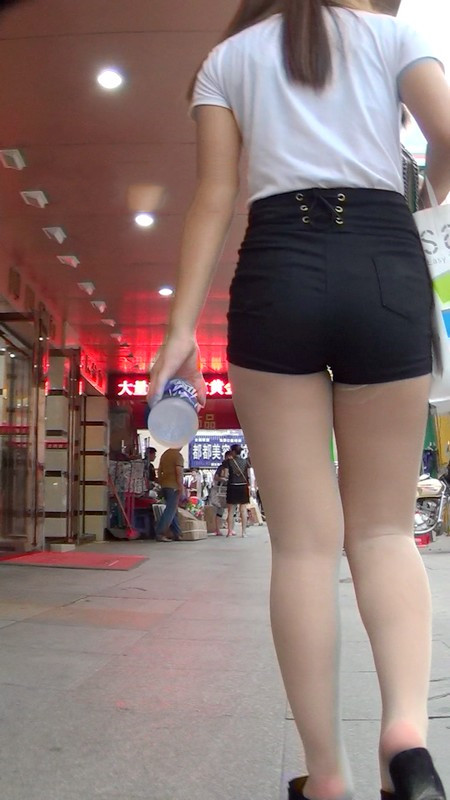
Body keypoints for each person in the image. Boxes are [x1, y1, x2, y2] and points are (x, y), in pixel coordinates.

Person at [149, 2, 450, 798]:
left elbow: (214, 198)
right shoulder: (395, 36)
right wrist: (431, 202)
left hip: (277, 268)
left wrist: (178, 333)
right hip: (384, 262)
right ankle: (406, 738)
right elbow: (448, 135)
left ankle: (327, 779)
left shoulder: (228, 60)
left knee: (305, 549)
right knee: (383, 530)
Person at [154, 447, 184, 542]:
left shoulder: (165, 454)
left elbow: (159, 470)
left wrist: (161, 482)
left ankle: (177, 533)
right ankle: (160, 533)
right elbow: (179, 472)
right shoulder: (178, 456)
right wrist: (181, 486)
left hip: (165, 485)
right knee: (170, 510)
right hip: (173, 485)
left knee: (173, 510)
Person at [225, 444, 250, 538]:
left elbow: (226, 475)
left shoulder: (229, 462)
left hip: (232, 486)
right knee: (243, 510)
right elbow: (249, 475)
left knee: (231, 511)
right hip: (243, 486)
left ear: (233, 452)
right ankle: (244, 532)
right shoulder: (245, 462)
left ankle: (229, 531)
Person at [210, 449, 232, 535]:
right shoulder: (221, 467)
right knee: (220, 510)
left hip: (229, 489)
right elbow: (215, 477)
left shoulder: (232, 467)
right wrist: (222, 479)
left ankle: (230, 529)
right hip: (221, 489)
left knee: (231, 510)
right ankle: (217, 529)